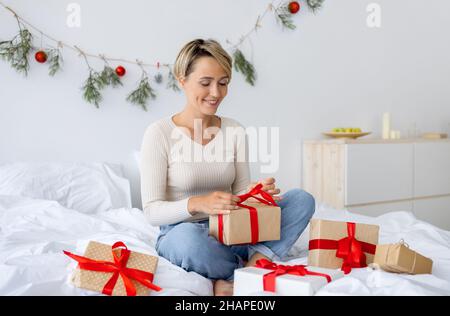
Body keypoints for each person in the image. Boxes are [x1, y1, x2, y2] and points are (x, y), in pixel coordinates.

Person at [140, 39, 315, 296]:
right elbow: (152, 212)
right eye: (205, 82)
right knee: (189, 241)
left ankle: (242, 270)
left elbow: (242, 193)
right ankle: (250, 267)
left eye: (223, 83)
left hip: (235, 230)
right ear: (182, 80)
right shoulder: (159, 133)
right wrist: (199, 203)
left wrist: (256, 194)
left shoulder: (234, 129)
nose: (216, 93)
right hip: (185, 233)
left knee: (301, 199)